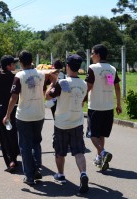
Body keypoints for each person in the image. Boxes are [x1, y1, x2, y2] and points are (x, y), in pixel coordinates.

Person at [45, 54, 89, 193]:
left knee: (60, 151)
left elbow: (47, 96)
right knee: (79, 151)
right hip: (77, 121)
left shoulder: (62, 82)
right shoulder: (83, 84)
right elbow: (83, 101)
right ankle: (83, 174)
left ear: (67, 66)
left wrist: (53, 82)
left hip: (62, 123)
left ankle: (61, 174)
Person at [3, 50, 46, 185]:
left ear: (21, 62)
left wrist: (7, 114)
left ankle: (29, 175)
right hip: (39, 113)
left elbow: (14, 96)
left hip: (24, 115)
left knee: (25, 146)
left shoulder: (20, 76)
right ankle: (37, 167)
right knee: (36, 142)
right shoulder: (41, 74)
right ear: (32, 60)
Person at [84, 44, 122, 171]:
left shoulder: (93, 68)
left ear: (98, 55)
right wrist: (118, 104)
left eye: (92, 53)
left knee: (92, 134)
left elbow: (88, 86)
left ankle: (103, 152)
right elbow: (113, 86)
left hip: (95, 106)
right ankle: (99, 157)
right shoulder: (111, 69)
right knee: (101, 134)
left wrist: (81, 99)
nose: (91, 56)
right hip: (108, 107)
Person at [0, 55, 20, 172]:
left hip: (2, 109)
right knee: (14, 134)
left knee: (4, 136)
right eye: (13, 64)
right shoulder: (16, 78)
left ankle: (9, 160)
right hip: (15, 108)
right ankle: (15, 158)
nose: (15, 65)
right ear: (8, 66)